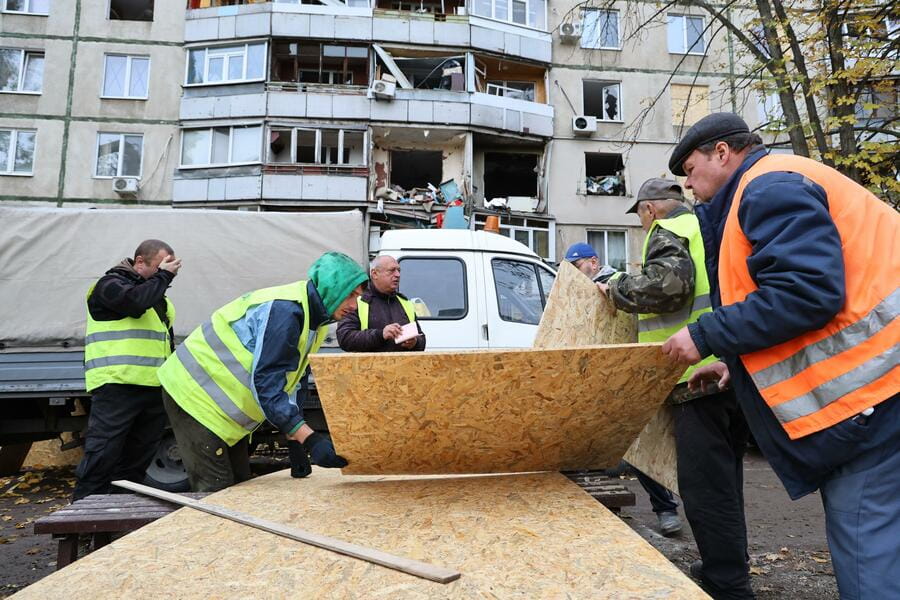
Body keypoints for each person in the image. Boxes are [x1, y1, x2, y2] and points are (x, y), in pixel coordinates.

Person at [662, 112, 900, 600]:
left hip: (874, 404)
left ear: (722, 153)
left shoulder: (767, 188)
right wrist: (736, 363)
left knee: (865, 551)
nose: (687, 183)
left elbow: (807, 294)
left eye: (690, 168)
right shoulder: (775, 182)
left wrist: (706, 335)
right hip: (883, 391)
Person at [599, 178, 755, 598]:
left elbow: (668, 288)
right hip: (725, 369)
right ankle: (727, 564)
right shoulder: (706, 229)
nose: (642, 223)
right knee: (726, 481)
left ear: (650, 209)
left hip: (695, 378)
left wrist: (616, 288)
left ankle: (728, 584)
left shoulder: (669, 230)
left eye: (640, 216)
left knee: (704, 488)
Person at [157, 252, 369, 493]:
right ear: (332, 288)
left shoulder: (314, 321)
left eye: (359, 297)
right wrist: (310, 439)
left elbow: (291, 382)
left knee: (239, 488)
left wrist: (296, 442)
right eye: (350, 295)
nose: (354, 306)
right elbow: (266, 383)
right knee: (216, 496)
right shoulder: (286, 312)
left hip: (219, 408)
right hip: (193, 396)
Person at [563, 241, 684, 539]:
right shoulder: (576, 293)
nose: (575, 275)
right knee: (584, 445)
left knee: (637, 446)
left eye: (577, 268)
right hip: (593, 379)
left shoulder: (619, 285)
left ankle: (666, 510)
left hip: (624, 376)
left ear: (593, 262)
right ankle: (589, 509)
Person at [73, 240, 181, 501]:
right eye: (159, 267)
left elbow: (164, 343)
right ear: (139, 262)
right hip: (117, 385)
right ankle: (82, 516)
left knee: (137, 458)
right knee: (103, 454)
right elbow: (134, 303)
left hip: (152, 387)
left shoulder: (157, 298)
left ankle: (119, 512)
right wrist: (164, 276)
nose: (165, 275)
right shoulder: (109, 285)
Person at [337, 255, 425, 352]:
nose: (397, 275)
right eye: (392, 270)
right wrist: (380, 334)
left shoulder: (404, 302)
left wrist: (415, 343)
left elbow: (421, 339)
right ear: (374, 274)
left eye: (399, 270)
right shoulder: (356, 301)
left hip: (403, 366)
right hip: (369, 367)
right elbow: (345, 338)